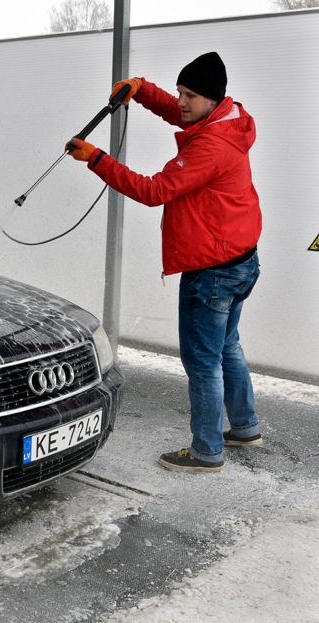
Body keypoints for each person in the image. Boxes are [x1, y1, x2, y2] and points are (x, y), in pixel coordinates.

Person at [66, 52, 262, 473]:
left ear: (211, 99)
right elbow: (182, 113)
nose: (182, 102)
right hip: (240, 260)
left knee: (203, 361)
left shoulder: (211, 145)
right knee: (227, 347)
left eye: (189, 95)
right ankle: (245, 426)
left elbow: (155, 191)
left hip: (213, 271)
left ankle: (208, 450)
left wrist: (97, 159)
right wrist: (140, 90)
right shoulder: (227, 119)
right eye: (178, 92)